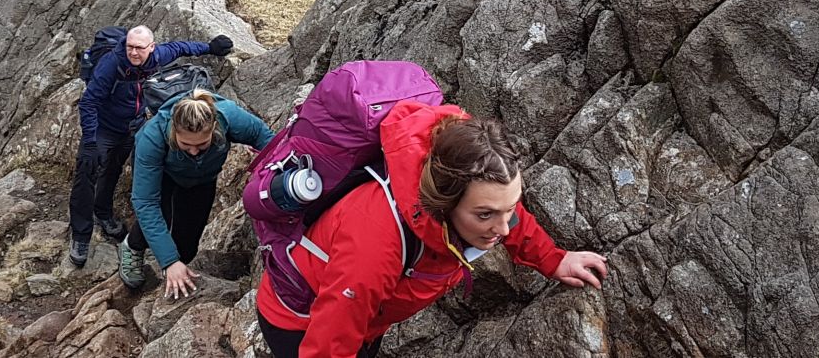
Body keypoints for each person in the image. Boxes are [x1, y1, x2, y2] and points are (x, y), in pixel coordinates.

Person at [254, 101, 608, 357]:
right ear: (445, 204)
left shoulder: (477, 190)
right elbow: (329, 343)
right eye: (485, 215)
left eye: (508, 208)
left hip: (366, 318)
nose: (502, 228)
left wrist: (554, 260)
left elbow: (509, 216)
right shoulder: (376, 242)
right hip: (300, 321)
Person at [69, 26, 233, 267]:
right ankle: (81, 235)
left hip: (132, 126)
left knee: (113, 170)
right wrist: (91, 141)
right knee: (87, 172)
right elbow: (89, 102)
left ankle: (103, 213)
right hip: (103, 129)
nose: (134, 53)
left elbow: (182, 48)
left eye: (139, 48)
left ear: (151, 47)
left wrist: (210, 47)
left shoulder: (157, 56)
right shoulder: (111, 65)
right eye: (130, 47)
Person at [119, 88, 275, 295]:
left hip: (202, 178)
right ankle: (132, 246)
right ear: (174, 130)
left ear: (213, 129)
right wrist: (169, 260)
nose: (193, 151)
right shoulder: (152, 138)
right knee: (159, 216)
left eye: (202, 145)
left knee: (188, 243)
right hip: (164, 172)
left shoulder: (229, 116)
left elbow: (269, 142)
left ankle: (178, 271)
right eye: (186, 144)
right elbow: (146, 202)